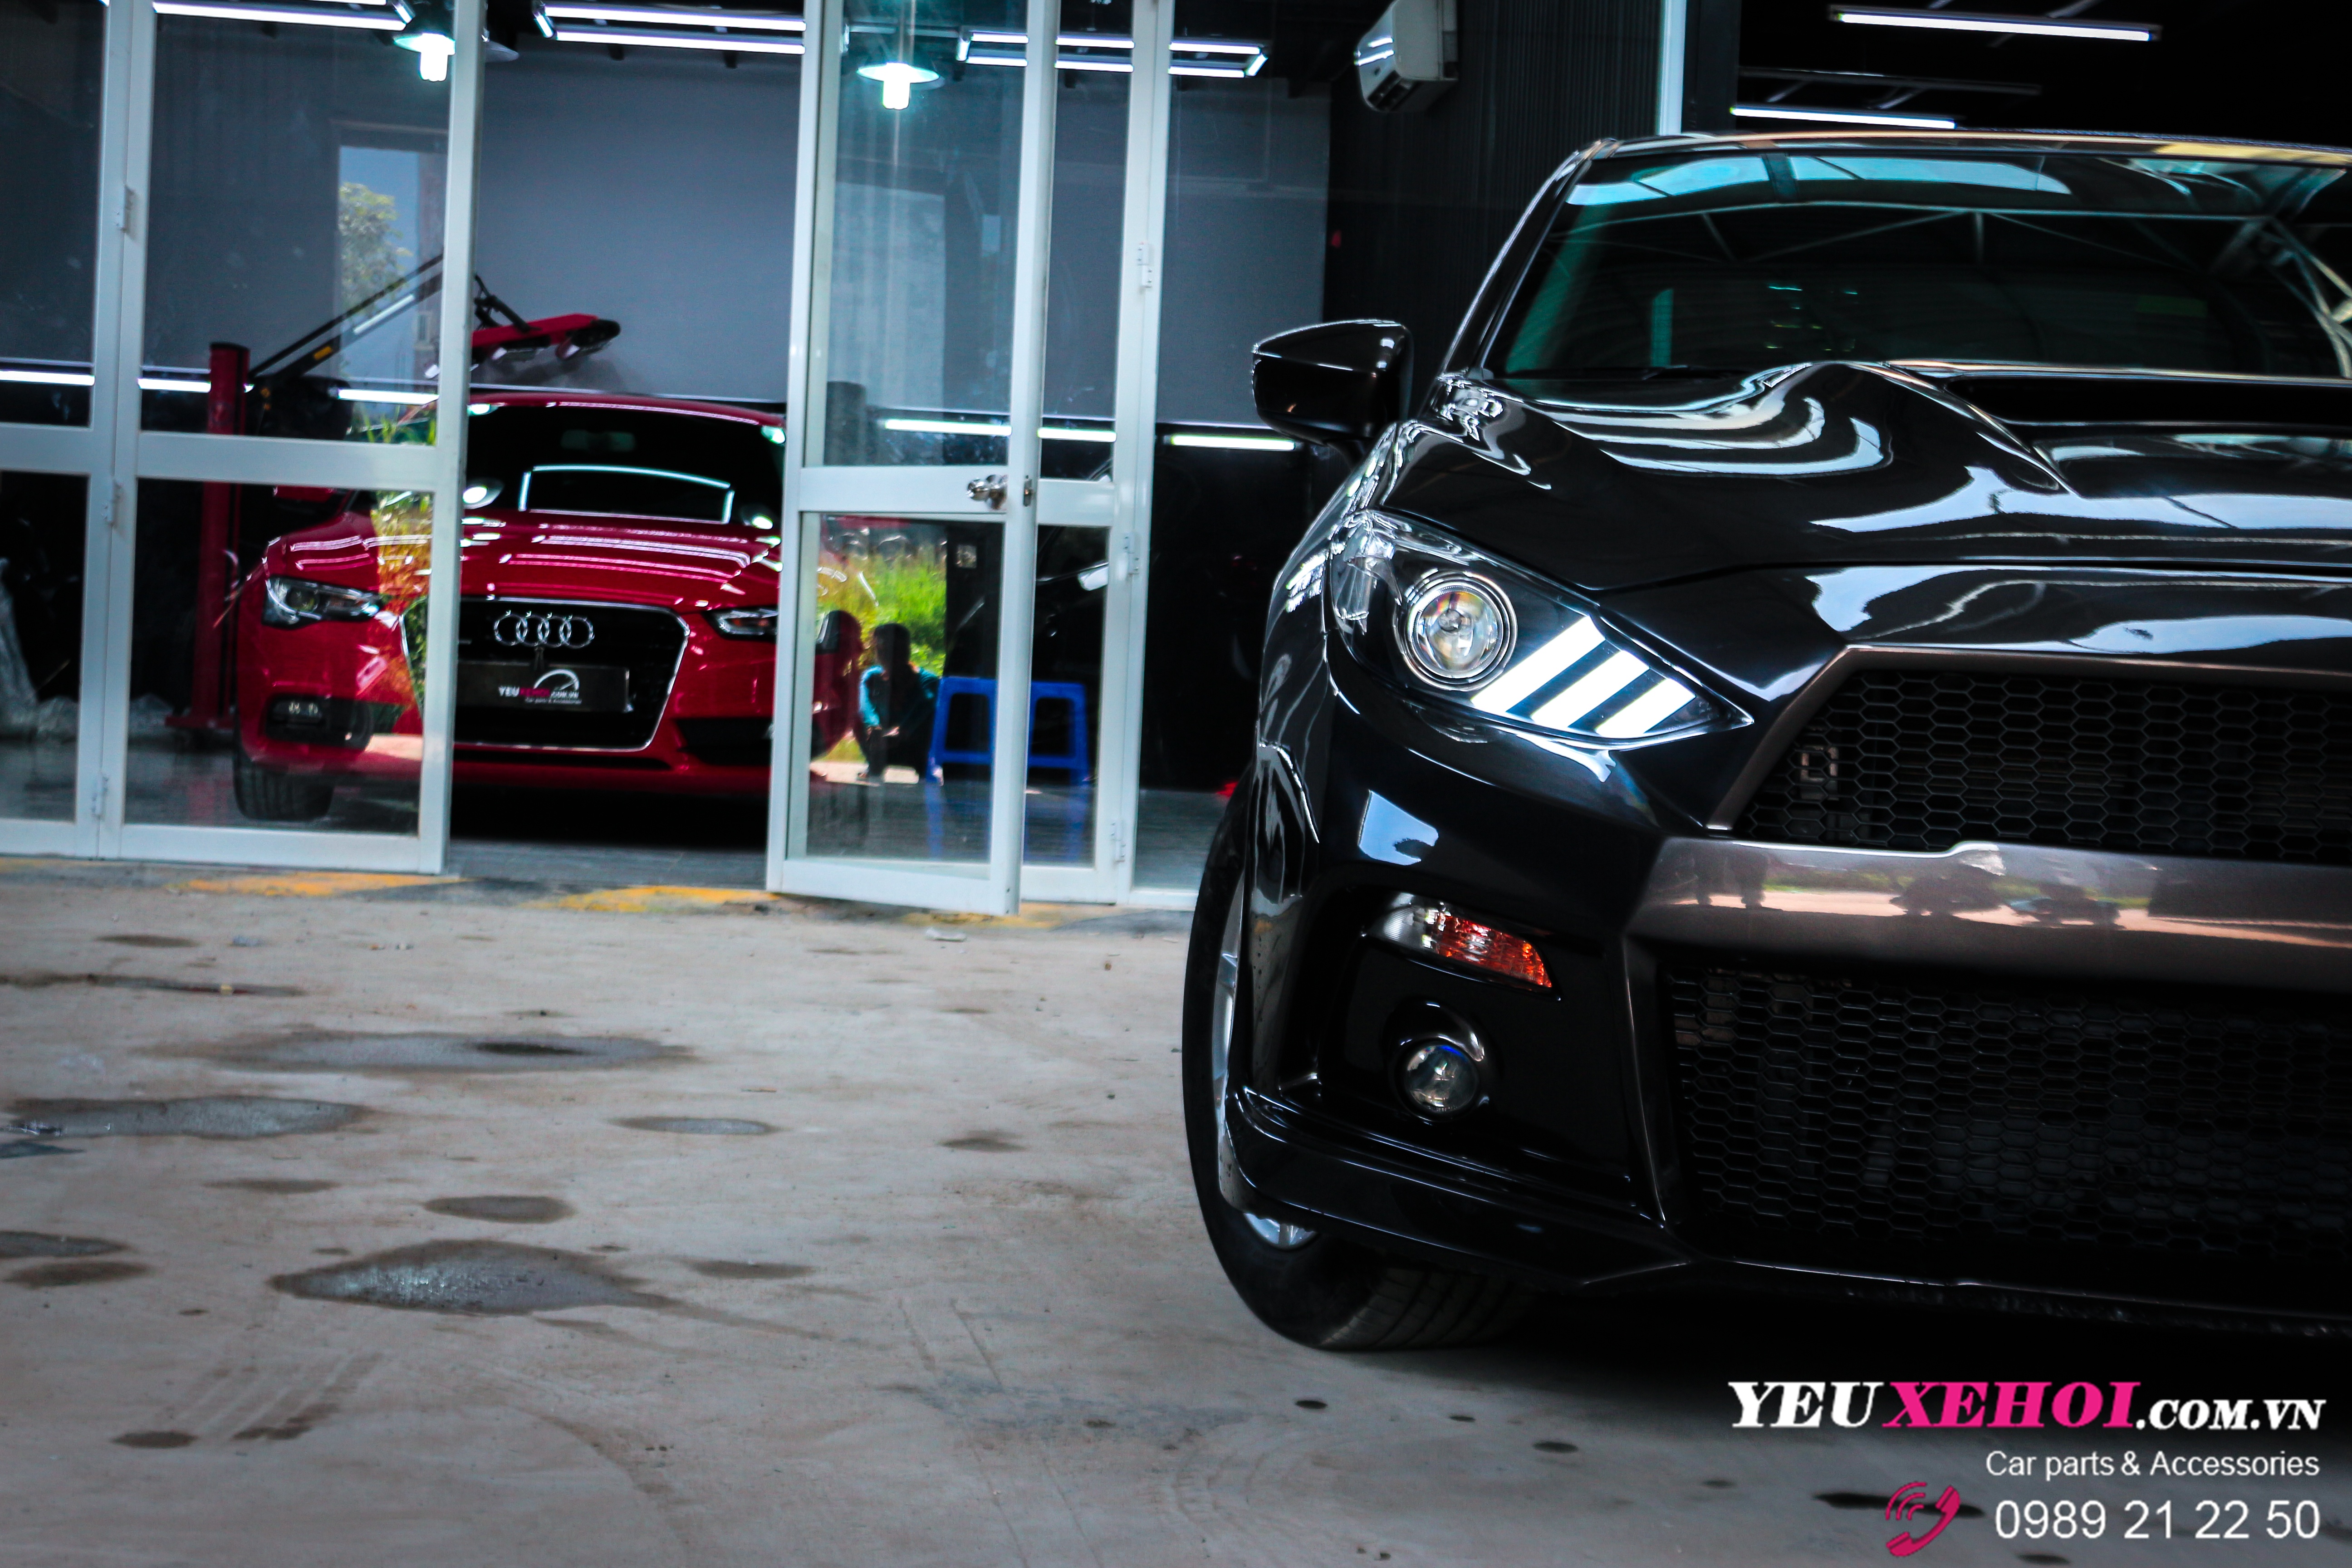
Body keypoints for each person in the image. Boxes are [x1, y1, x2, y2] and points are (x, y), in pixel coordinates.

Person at [856, 622, 939, 781]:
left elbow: (924, 708)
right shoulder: (872, 678)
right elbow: (865, 705)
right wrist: (874, 726)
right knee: (856, 717)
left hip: (912, 746)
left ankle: (924, 768)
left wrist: (903, 731)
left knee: (931, 715)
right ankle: (875, 765)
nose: (886, 654)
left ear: (907, 651)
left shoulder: (927, 680)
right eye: (880, 648)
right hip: (880, 744)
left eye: (894, 648)